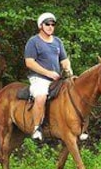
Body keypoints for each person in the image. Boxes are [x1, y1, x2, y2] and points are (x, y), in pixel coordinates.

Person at [24, 12, 79, 141]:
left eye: (52, 24)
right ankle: (36, 127)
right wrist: (48, 73)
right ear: (40, 26)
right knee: (41, 96)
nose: (50, 26)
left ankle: (78, 127)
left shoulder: (58, 42)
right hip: (39, 79)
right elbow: (29, 62)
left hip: (57, 78)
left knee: (74, 93)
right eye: (47, 24)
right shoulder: (33, 41)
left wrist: (68, 70)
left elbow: (64, 60)